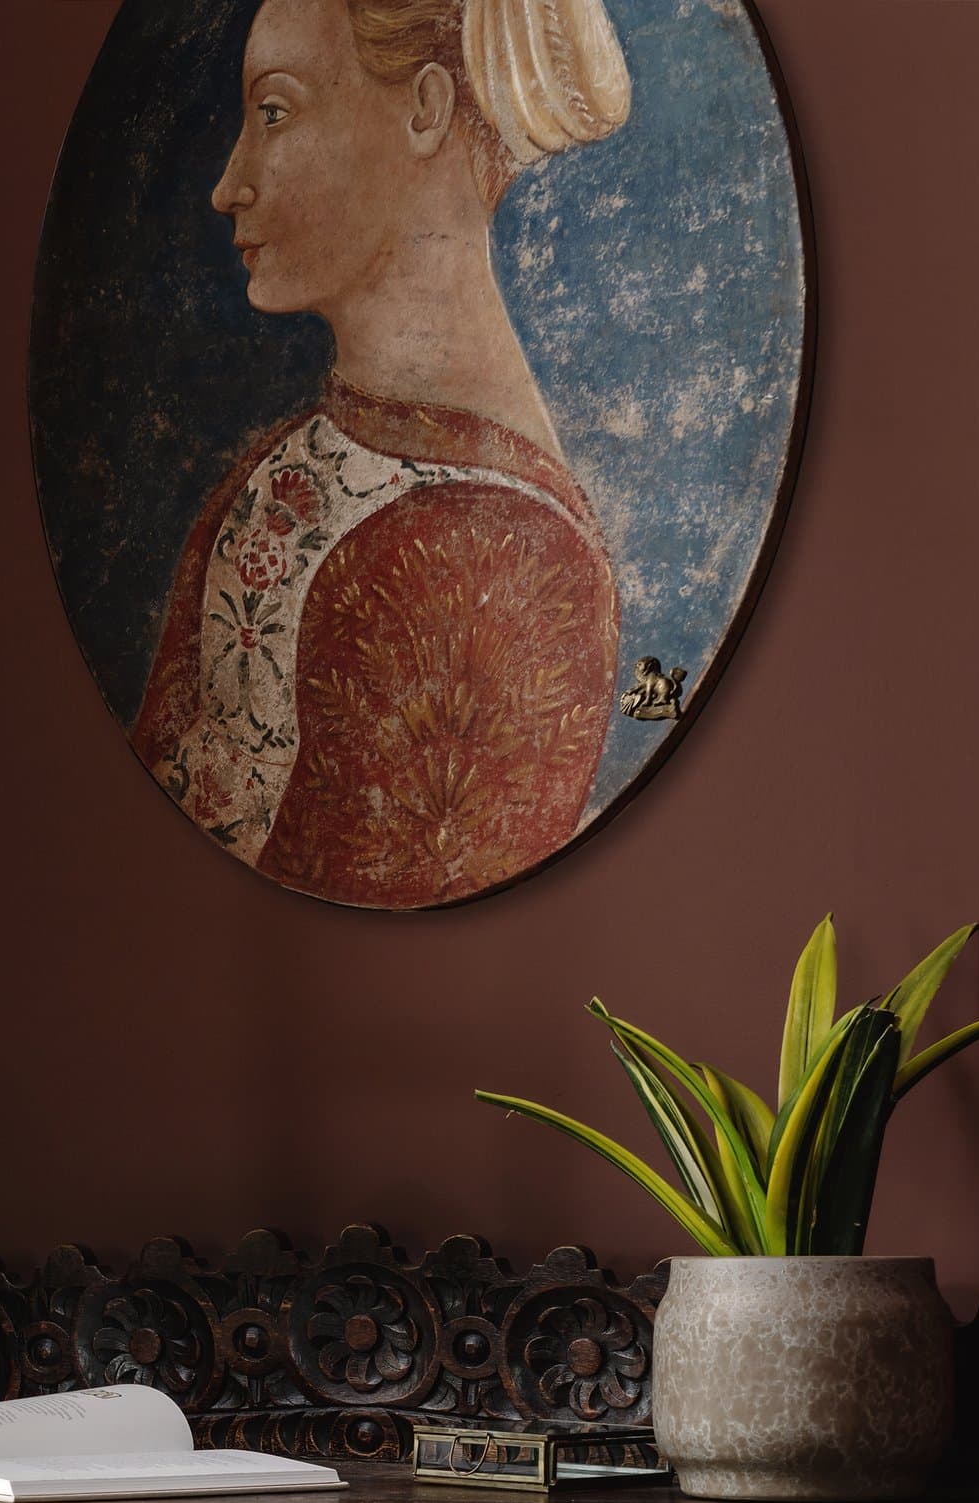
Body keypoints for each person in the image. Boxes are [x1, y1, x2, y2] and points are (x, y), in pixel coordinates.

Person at [132, 0, 631, 909]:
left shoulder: (511, 557)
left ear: (427, 109)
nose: (228, 184)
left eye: (274, 114)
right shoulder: (280, 469)